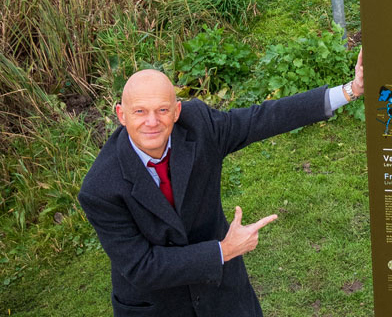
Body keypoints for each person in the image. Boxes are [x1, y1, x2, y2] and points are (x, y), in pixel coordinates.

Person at [77, 52, 364, 316]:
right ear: (121, 114)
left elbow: (261, 120)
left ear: (177, 112)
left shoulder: (200, 125)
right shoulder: (99, 188)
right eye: (140, 112)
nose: (152, 122)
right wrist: (222, 251)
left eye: (162, 110)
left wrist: (350, 90)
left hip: (225, 297)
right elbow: (142, 267)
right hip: (159, 306)